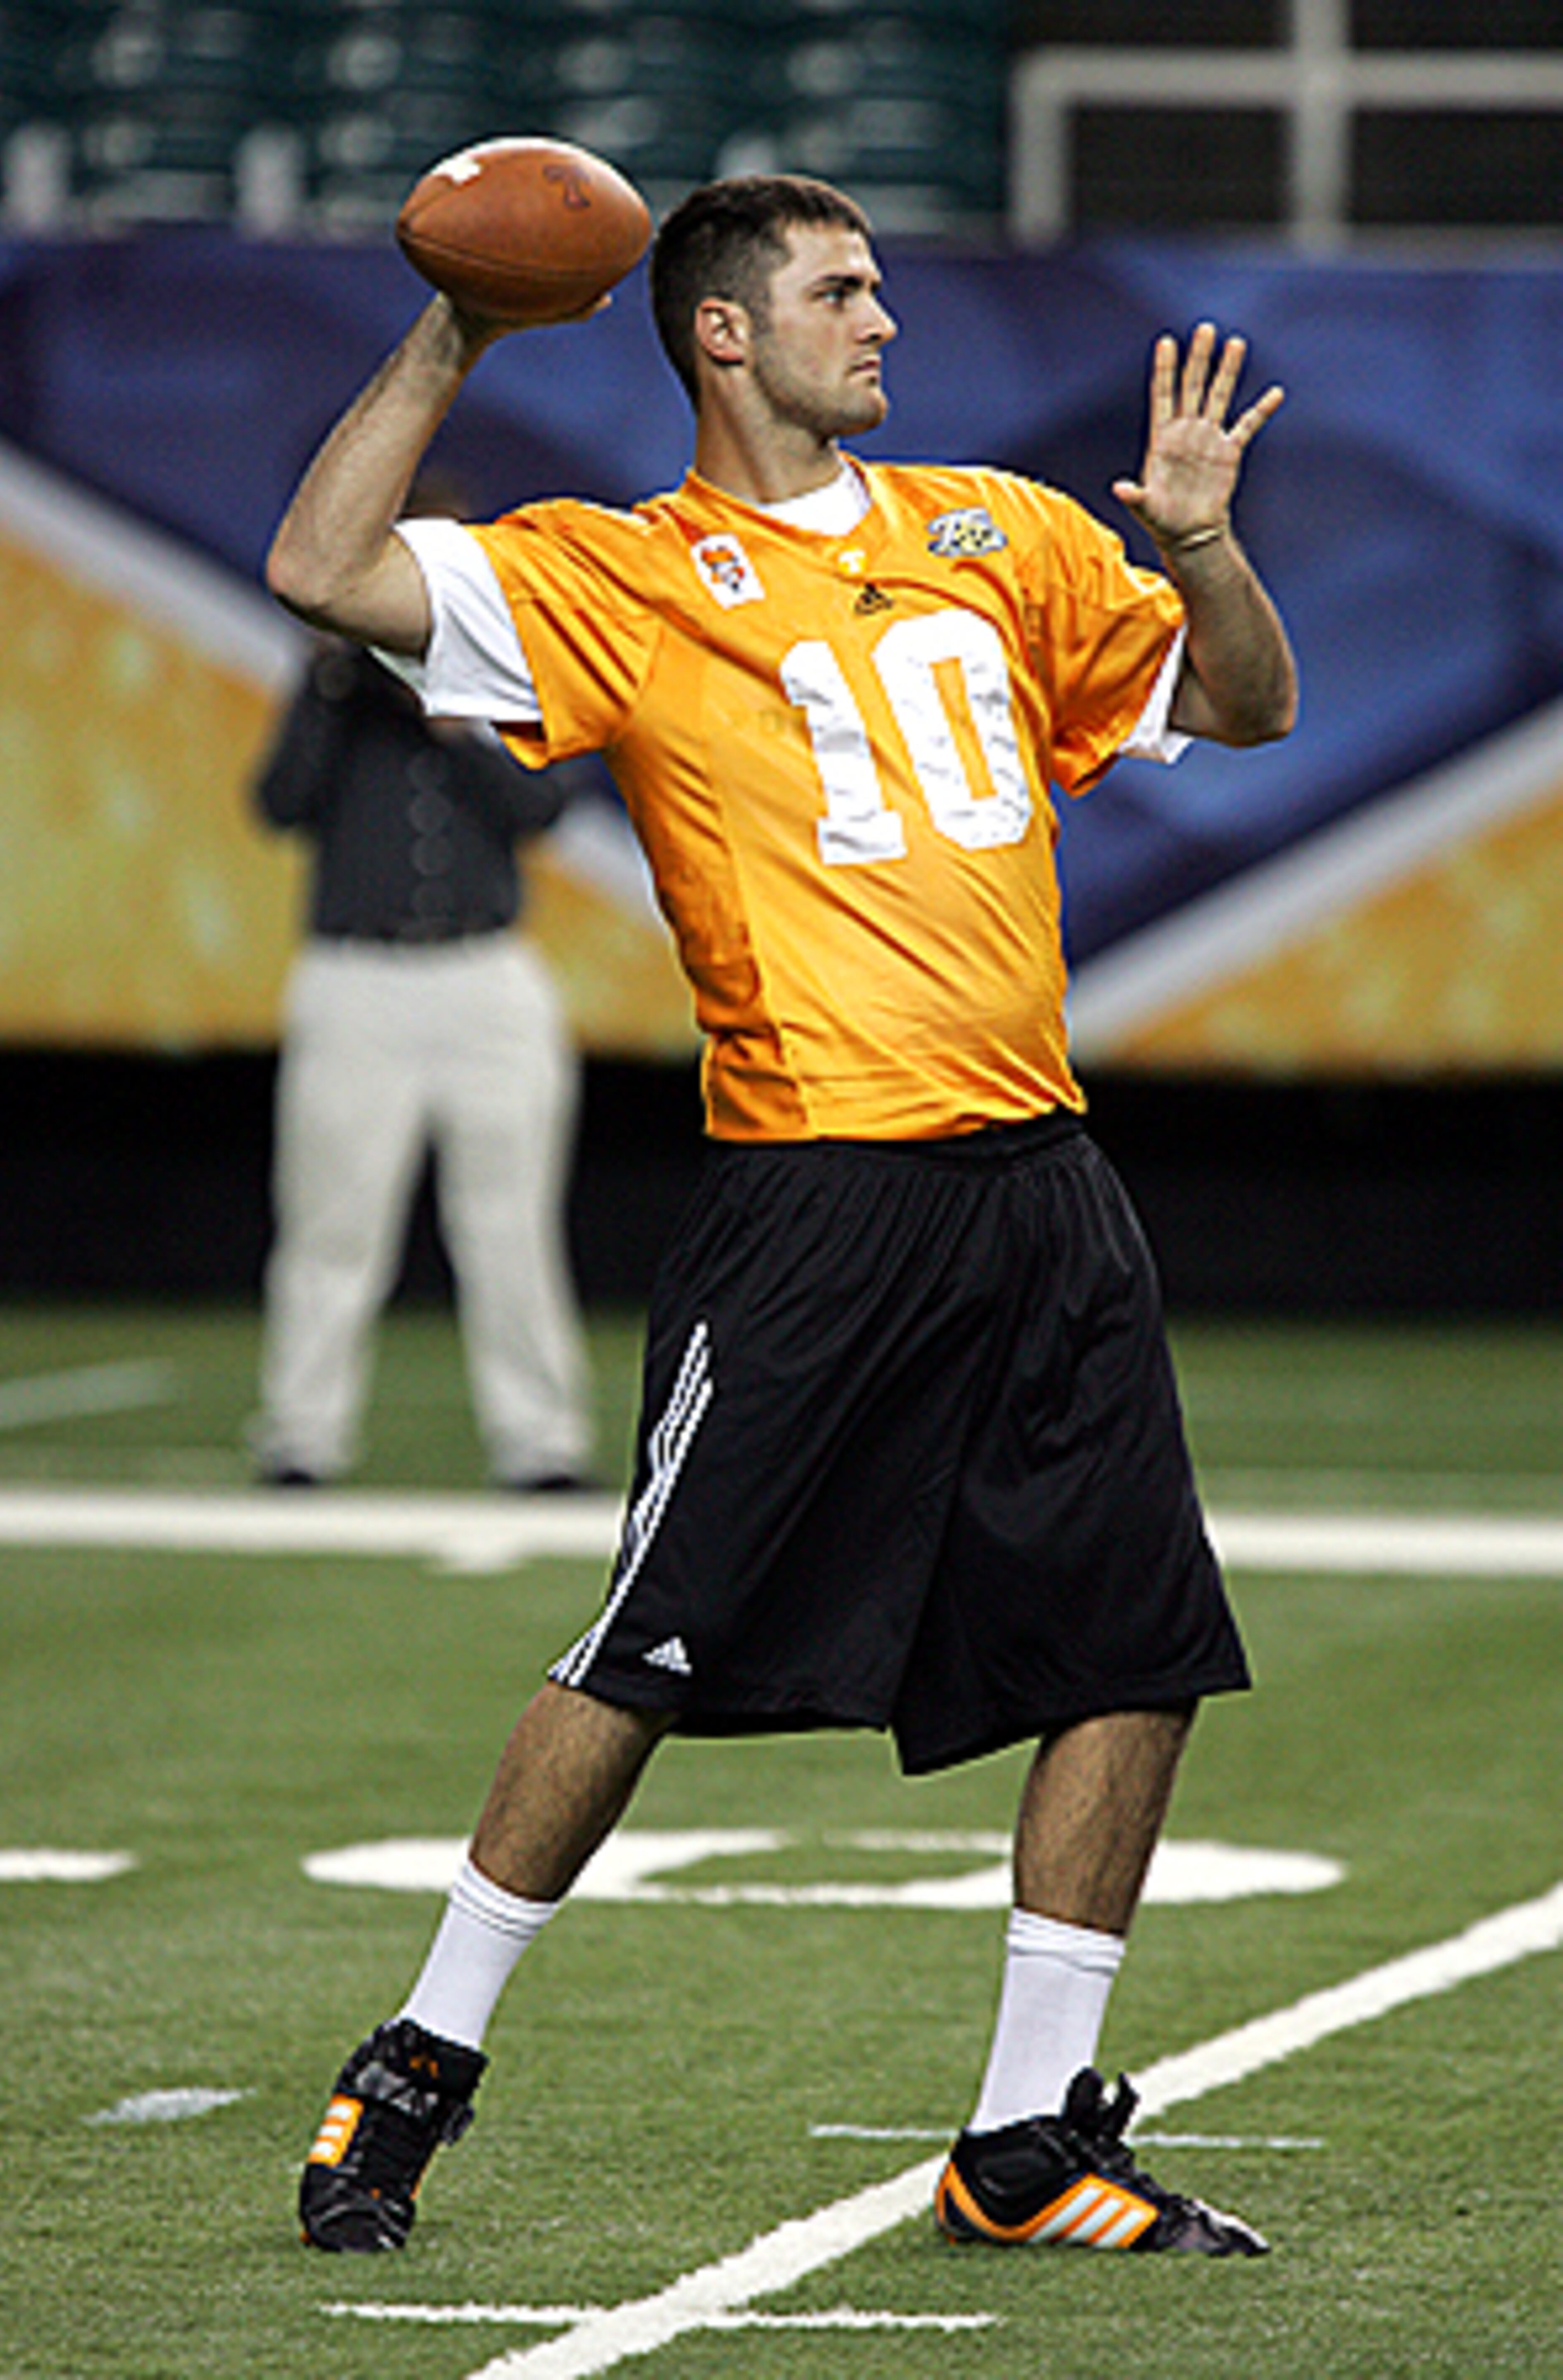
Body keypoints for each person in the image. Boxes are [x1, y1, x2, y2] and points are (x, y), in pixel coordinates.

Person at [267, 173, 1297, 2259]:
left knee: (1138, 1652)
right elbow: (320, 565)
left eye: (881, 287)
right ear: (720, 333)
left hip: (1042, 1176)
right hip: (816, 1186)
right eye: (839, 291)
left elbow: (1249, 703)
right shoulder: (626, 575)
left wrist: (1197, 548)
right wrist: (459, 330)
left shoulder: (999, 532)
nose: (883, 322)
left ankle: (1026, 2141)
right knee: (643, 1648)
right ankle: (418, 2062)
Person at [248, 504, 594, 1494]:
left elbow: (544, 811)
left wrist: (462, 723)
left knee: (510, 1225)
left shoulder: (490, 682)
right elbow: (279, 803)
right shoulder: (336, 688)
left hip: (487, 980)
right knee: (331, 1224)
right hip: (356, 981)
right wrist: (326, 676)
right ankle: (300, 1438)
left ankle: (541, 1443)